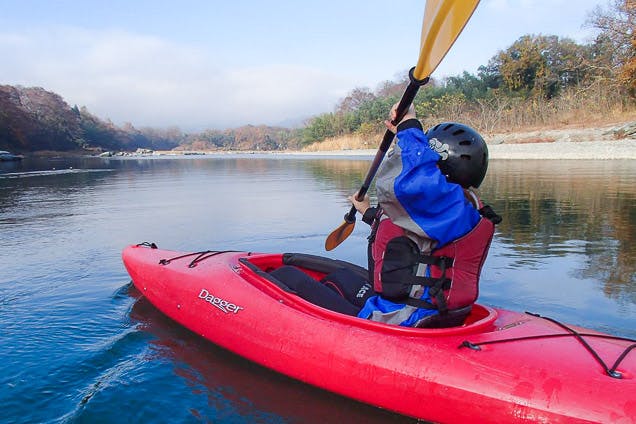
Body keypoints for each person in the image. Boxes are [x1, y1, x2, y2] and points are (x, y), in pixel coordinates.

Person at [271, 102, 500, 328]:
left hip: (406, 319)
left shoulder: (446, 205)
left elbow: (411, 183)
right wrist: (369, 213)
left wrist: (408, 127)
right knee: (338, 279)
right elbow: (415, 237)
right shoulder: (464, 207)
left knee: (288, 276)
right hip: (437, 312)